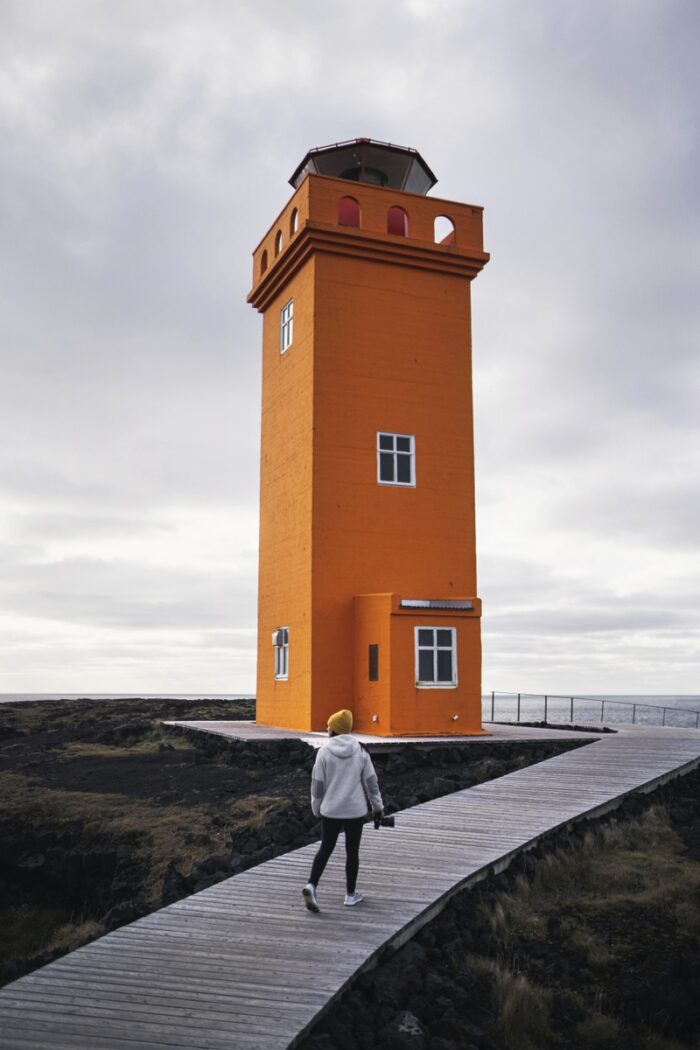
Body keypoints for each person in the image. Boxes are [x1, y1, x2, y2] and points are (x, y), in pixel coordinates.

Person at [303, 708, 383, 912]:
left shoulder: (324, 752)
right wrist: (378, 808)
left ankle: (312, 885)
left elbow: (317, 785)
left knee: (325, 849)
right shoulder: (361, 751)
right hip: (355, 811)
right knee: (352, 852)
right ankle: (350, 895)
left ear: (335, 729)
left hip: (331, 810)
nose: (327, 727)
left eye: (329, 725)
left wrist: (316, 807)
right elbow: (371, 783)